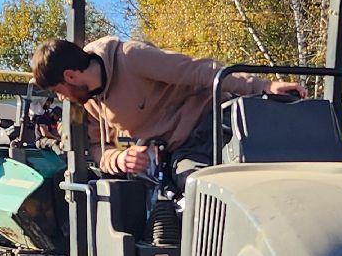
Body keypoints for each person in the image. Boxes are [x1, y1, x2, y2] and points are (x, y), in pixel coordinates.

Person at [30, 37, 304, 189]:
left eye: (58, 89)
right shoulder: (86, 102)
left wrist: (265, 85)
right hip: (183, 150)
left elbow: (200, 71)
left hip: (215, 125)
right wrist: (121, 159)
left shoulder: (130, 57)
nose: (60, 98)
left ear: (70, 75)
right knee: (197, 186)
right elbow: (96, 148)